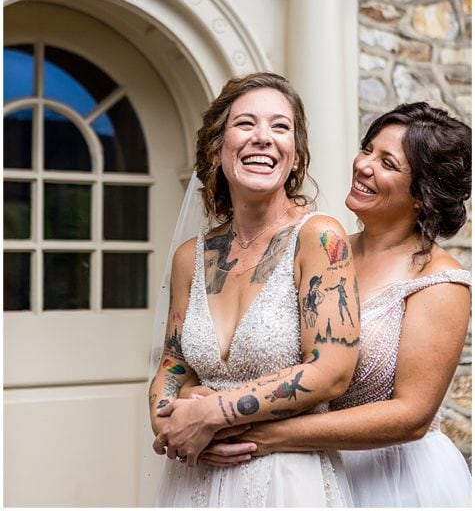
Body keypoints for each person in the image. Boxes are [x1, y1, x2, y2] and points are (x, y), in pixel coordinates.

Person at [202, 102, 472, 508]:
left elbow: (412, 415)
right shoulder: (321, 249)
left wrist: (263, 436)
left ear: (422, 194)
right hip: (303, 473)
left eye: (387, 163)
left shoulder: (438, 281)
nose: (363, 165)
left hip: (391, 482)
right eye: (367, 149)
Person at [148, 72, 360, 507]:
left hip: (287, 479)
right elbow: (172, 365)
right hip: (196, 476)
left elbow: (331, 371)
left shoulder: (320, 238)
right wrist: (169, 421)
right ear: (217, 149)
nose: (263, 138)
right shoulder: (191, 256)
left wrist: (211, 413)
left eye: (280, 127)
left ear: (297, 157)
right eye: (245, 124)